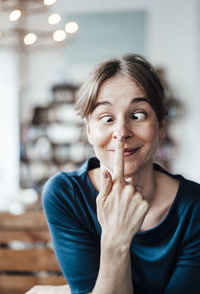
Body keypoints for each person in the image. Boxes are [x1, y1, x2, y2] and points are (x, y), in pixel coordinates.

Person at [26, 54, 200, 294]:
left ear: (160, 123)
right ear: (88, 130)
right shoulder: (65, 194)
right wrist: (115, 239)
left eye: (138, 115)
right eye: (106, 118)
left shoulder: (195, 207)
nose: (121, 132)